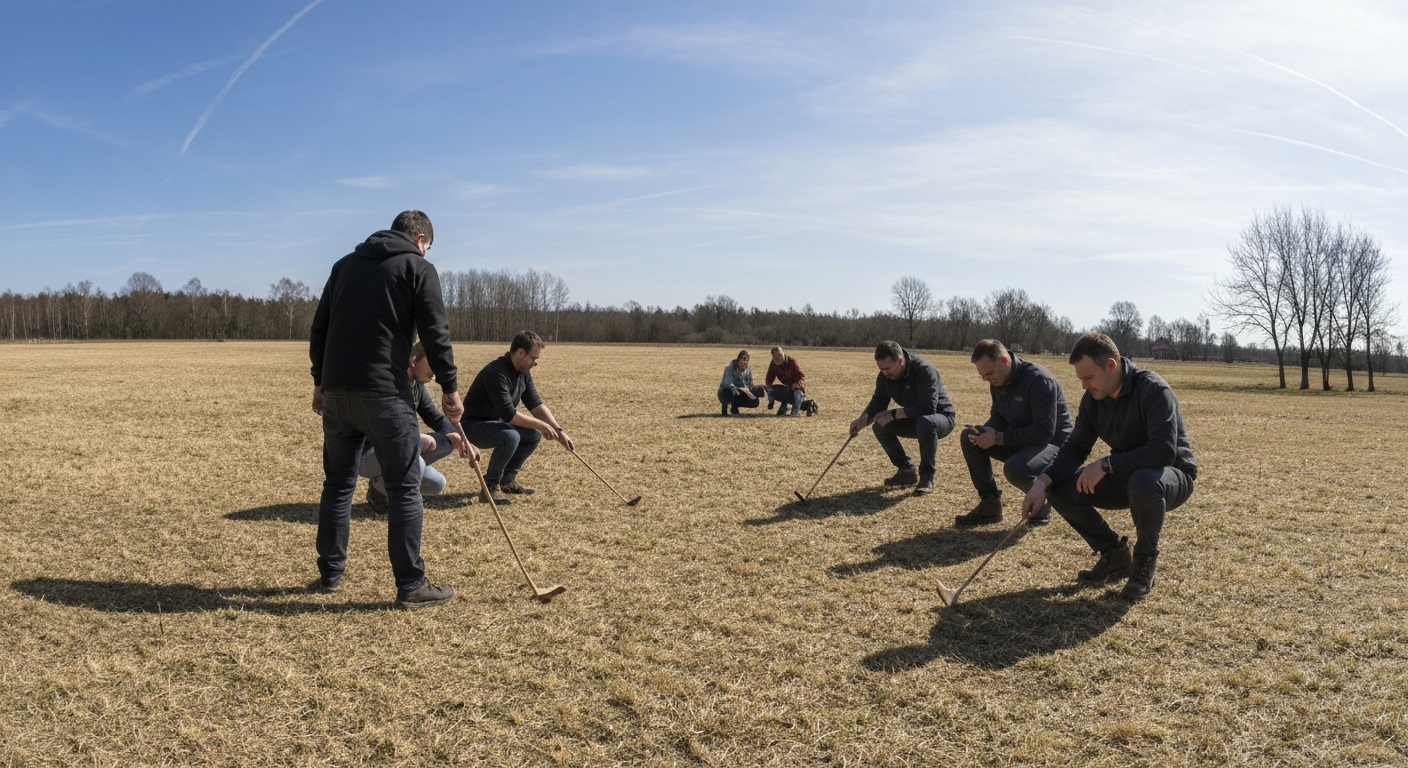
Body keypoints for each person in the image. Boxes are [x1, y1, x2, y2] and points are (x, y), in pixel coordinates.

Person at [309, 210, 478, 609]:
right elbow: (436, 333)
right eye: (428, 247)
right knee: (404, 487)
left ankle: (330, 573)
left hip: (337, 392)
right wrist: (451, 388)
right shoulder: (418, 268)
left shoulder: (343, 266)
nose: (427, 253)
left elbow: (320, 329)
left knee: (338, 485)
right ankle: (412, 585)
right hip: (385, 393)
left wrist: (320, 382)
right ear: (420, 239)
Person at [1020, 332, 1197, 599]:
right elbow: (1075, 448)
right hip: (1126, 474)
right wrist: (1041, 484)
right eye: (1080, 379)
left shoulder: (1153, 390)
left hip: (1171, 476)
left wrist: (1106, 464)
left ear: (1111, 365)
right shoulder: (1093, 399)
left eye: (1089, 377)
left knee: (1144, 479)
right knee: (1059, 489)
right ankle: (1115, 554)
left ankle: (1144, 562)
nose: (1084, 386)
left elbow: (1163, 452)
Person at [956, 339, 1073, 527]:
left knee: (1016, 469)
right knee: (969, 437)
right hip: (1024, 439)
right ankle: (990, 505)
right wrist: (985, 433)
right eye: (982, 376)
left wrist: (998, 438)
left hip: (1054, 444)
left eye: (989, 373)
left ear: (1004, 360)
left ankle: (1042, 503)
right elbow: (998, 417)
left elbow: (1044, 432)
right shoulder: (998, 379)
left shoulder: (1039, 380)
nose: (987, 379)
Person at [460, 330, 574, 504]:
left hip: (494, 424)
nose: (535, 363)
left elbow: (536, 405)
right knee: (511, 436)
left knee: (532, 435)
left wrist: (558, 431)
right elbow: (509, 415)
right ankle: (489, 487)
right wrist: (541, 425)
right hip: (473, 426)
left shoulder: (523, 372)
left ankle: (508, 481)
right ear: (521, 352)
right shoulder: (496, 372)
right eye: (533, 358)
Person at [361, 342, 474, 514]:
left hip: (400, 447)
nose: (436, 372)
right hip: (368, 454)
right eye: (432, 364)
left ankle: (382, 482)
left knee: (437, 482)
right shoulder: (386, 383)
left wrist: (459, 437)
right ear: (413, 362)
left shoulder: (416, 386)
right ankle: (387, 497)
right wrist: (415, 439)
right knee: (417, 462)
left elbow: (433, 416)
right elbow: (380, 425)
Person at [849, 340, 956, 495]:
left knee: (925, 421)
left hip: (940, 418)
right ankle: (906, 470)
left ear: (900, 360)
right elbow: (878, 402)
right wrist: (862, 420)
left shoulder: (924, 370)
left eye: (887, 368)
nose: (885, 373)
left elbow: (928, 407)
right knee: (880, 426)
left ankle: (927, 477)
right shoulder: (885, 377)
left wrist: (893, 414)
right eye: (881, 369)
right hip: (915, 419)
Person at [718, 350, 766, 416]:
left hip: (740, 392)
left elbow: (750, 385)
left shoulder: (748, 370)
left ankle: (734, 406)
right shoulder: (729, 368)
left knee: (755, 402)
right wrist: (740, 389)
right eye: (743, 359)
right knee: (728, 392)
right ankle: (725, 406)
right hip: (726, 391)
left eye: (747, 360)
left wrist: (757, 390)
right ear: (738, 359)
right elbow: (728, 383)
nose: (745, 362)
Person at [765, 346, 806, 416]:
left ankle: (794, 412)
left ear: (783, 354)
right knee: (770, 389)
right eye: (775, 357)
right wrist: (770, 395)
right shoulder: (773, 364)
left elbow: (801, 376)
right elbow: (769, 379)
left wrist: (795, 387)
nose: (778, 358)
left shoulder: (792, 362)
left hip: (797, 388)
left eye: (779, 355)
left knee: (798, 394)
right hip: (787, 389)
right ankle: (784, 406)